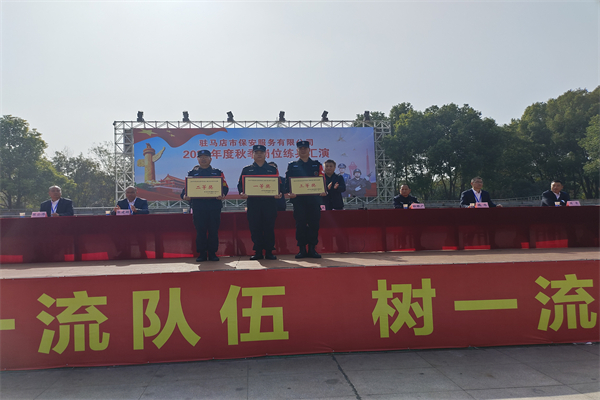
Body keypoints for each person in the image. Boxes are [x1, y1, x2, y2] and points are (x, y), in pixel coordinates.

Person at [181, 150, 228, 262]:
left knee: (213, 231)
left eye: (206, 157)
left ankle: (212, 253)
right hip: (198, 207)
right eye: (201, 157)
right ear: (198, 159)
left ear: (210, 159)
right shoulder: (192, 173)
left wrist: (223, 194)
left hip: (214, 207)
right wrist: (184, 196)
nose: (203, 159)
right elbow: (186, 190)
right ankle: (202, 254)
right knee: (200, 231)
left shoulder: (217, 173)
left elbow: (225, 187)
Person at [238, 145, 281, 260]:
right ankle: (258, 252)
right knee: (255, 228)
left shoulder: (272, 169)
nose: (259, 154)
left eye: (261, 152)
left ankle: (269, 252)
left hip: (269, 204)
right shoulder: (247, 170)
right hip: (253, 204)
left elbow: (279, 184)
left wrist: (279, 192)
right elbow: (240, 185)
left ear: (265, 154)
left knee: (269, 228)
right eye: (256, 152)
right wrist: (242, 192)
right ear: (252, 154)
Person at [285, 140, 326, 259]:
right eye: (300, 149)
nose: (303, 150)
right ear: (297, 151)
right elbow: (287, 182)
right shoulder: (292, 165)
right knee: (300, 224)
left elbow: (322, 179)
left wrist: (323, 190)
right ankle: (302, 249)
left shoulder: (316, 164)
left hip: (314, 201)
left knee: (314, 224)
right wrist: (289, 192)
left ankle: (312, 249)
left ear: (309, 150)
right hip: (299, 201)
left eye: (305, 148)